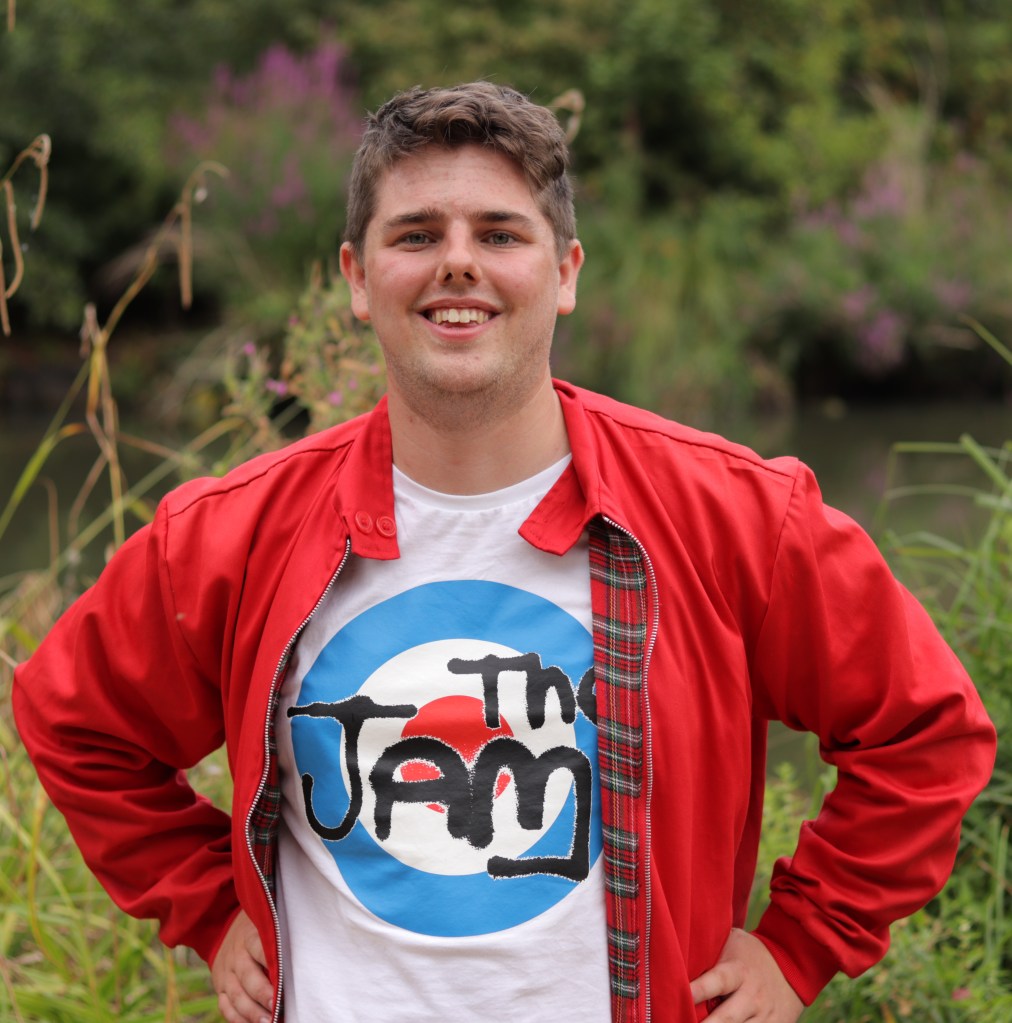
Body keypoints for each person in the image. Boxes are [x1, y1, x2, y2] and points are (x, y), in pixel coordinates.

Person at [13, 81, 995, 1023]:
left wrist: (801, 943)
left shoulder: (732, 514)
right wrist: (210, 907)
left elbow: (925, 733)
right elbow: (76, 723)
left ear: (563, 274)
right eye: (415, 235)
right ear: (357, 280)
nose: (456, 263)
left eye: (498, 233)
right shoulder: (231, 534)